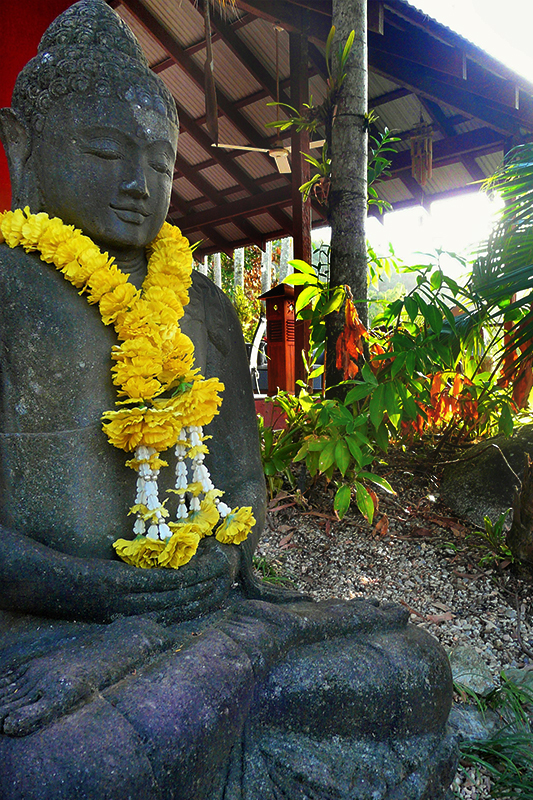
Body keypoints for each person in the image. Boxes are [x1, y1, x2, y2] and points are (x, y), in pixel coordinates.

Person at [0, 3, 457, 798]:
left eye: (159, 160)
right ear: (20, 147)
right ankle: (236, 652)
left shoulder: (202, 305)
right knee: (51, 776)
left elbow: (239, 482)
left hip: (198, 607)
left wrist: (228, 558)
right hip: (43, 633)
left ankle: (233, 646)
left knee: (413, 666)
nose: (140, 184)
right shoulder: (7, 287)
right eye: (105, 152)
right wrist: (97, 594)